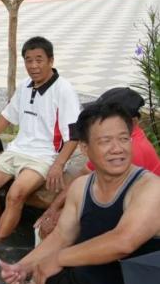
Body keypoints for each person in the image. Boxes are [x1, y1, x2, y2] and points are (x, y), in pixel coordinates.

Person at [0, 102, 160, 284]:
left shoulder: (150, 188)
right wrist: (23, 266)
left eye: (123, 139)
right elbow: (62, 236)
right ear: (85, 148)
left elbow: (123, 241)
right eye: (105, 141)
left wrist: (58, 259)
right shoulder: (82, 187)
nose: (117, 148)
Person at [0, 37, 80, 256]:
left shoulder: (64, 90)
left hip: (45, 156)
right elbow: (7, 115)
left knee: (15, 195)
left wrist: (59, 164)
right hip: (17, 149)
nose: (33, 66)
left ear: (51, 60)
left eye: (39, 60)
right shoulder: (24, 86)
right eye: (29, 60)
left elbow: (74, 134)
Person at [35, 87, 160, 240]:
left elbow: (121, 238)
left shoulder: (129, 152)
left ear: (132, 122)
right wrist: (52, 210)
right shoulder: (110, 145)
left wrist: (59, 219)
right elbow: (84, 174)